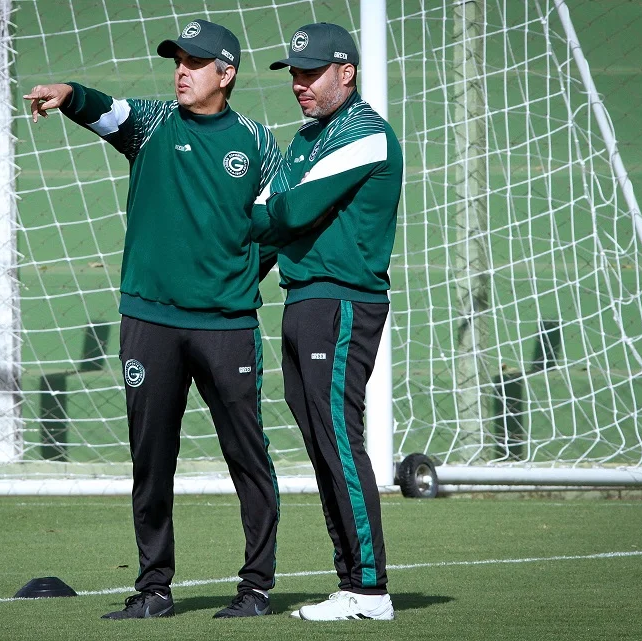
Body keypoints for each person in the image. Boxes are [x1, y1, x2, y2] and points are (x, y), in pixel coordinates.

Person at [23, 20, 282, 620]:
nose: (181, 72)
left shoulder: (258, 143)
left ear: (227, 74)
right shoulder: (154, 124)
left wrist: (236, 281)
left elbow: (272, 230)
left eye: (195, 63)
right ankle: (153, 588)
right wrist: (68, 94)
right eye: (177, 61)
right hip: (149, 322)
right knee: (151, 455)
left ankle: (256, 587)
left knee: (246, 453)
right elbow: (105, 110)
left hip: (226, 325)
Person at [251, 22, 403, 621]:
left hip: (342, 301)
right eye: (293, 72)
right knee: (321, 442)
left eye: (311, 72)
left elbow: (286, 208)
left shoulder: (365, 134)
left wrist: (271, 210)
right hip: (307, 297)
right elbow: (274, 216)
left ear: (347, 72)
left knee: (338, 439)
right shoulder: (308, 137)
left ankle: (370, 590)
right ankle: (352, 584)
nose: (298, 83)